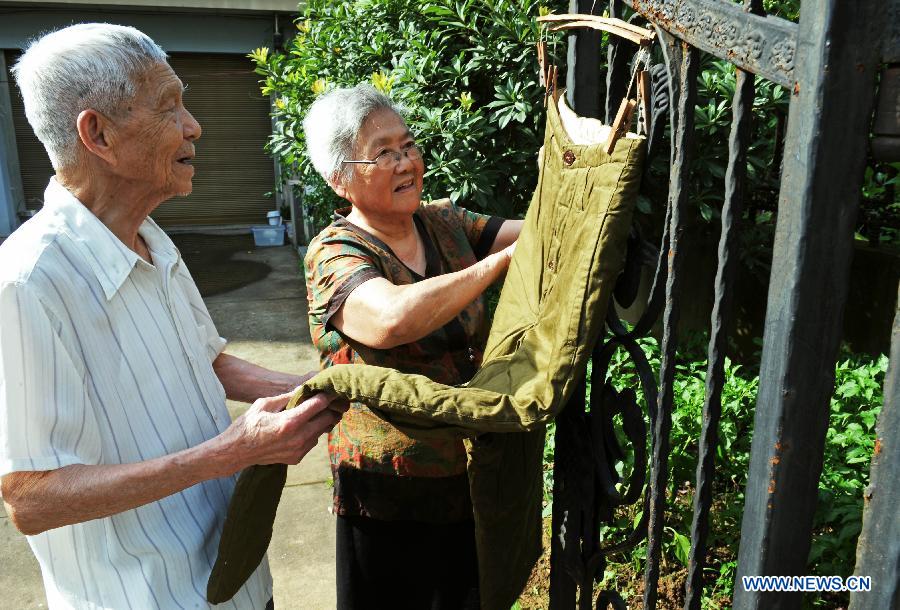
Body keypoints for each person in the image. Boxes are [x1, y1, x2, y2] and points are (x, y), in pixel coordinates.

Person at [0, 24, 345, 610]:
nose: (194, 125)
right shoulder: (28, 282)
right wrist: (232, 452)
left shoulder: (151, 239)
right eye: (168, 107)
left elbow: (203, 359)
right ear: (98, 134)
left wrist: (324, 390)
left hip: (233, 580)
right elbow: (33, 500)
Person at [302, 83, 524, 609]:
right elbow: (390, 319)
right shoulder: (335, 252)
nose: (406, 163)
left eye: (408, 146)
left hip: (468, 472)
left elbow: (532, 232)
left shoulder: (444, 223)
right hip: (387, 491)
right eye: (384, 153)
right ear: (340, 179)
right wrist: (495, 265)